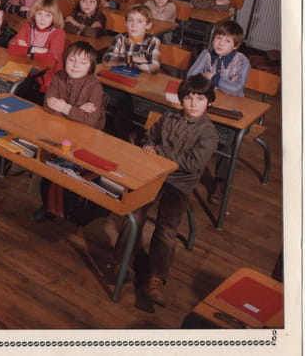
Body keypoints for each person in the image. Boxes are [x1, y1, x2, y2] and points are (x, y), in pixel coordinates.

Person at [113, 75, 218, 307]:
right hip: (153, 177)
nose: (193, 103)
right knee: (134, 215)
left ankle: (156, 278)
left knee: (167, 230)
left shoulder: (208, 133)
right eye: (188, 98)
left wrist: (159, 151)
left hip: (178, 185)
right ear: (181, 99)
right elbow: (150, 136)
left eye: (200, 99)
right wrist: (149, 144)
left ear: (209, 102)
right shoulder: (169, 117)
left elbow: (193, 163)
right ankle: (123, 263)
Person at [33, 41, 106, 221]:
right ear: (65, 60)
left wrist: (65, 108)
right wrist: (78, 109)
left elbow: (90, 121)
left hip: (86, 138)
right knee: (50, 165)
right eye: (72, 60)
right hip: (58, 131)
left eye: (83, 62)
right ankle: (48, 206)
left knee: (71, 171)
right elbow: (48, 105)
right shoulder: (58, 76)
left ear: (91, 67)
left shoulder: (94, 86)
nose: (75, 65)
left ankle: (70, 210)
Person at [187, 20, 251, 204]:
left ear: (236, 45)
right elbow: (190, 76)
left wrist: (211, 77)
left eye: (227, 41)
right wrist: (223, 82)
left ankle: (220, 181)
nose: (220, 43)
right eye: (218, 38)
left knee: (229, 140)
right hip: (206, 105)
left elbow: (236, 88)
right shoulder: (206, 54)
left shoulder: (242, 61)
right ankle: (188, 169)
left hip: (230, 108)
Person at [8, 0, 65, 93]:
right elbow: (11, 48)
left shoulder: (58, 33)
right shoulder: (28, 27)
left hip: (46, 81)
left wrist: (26, 51)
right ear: (34, 14)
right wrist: (32, 50)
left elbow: (50, 60)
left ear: (54, 17)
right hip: (25, 72)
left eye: (48, 15)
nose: (43, 19)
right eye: (39, 14)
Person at [102, 4, 161, 74]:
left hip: (141, 79)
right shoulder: (119, 38)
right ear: (126, 23)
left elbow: (154, 68)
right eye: (130, 20)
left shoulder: (153, 41)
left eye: (140, 21)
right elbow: (107, 60)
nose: (134, 25)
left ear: (148, 25)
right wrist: (133, 59)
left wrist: (120, 60)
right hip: (120, 76)